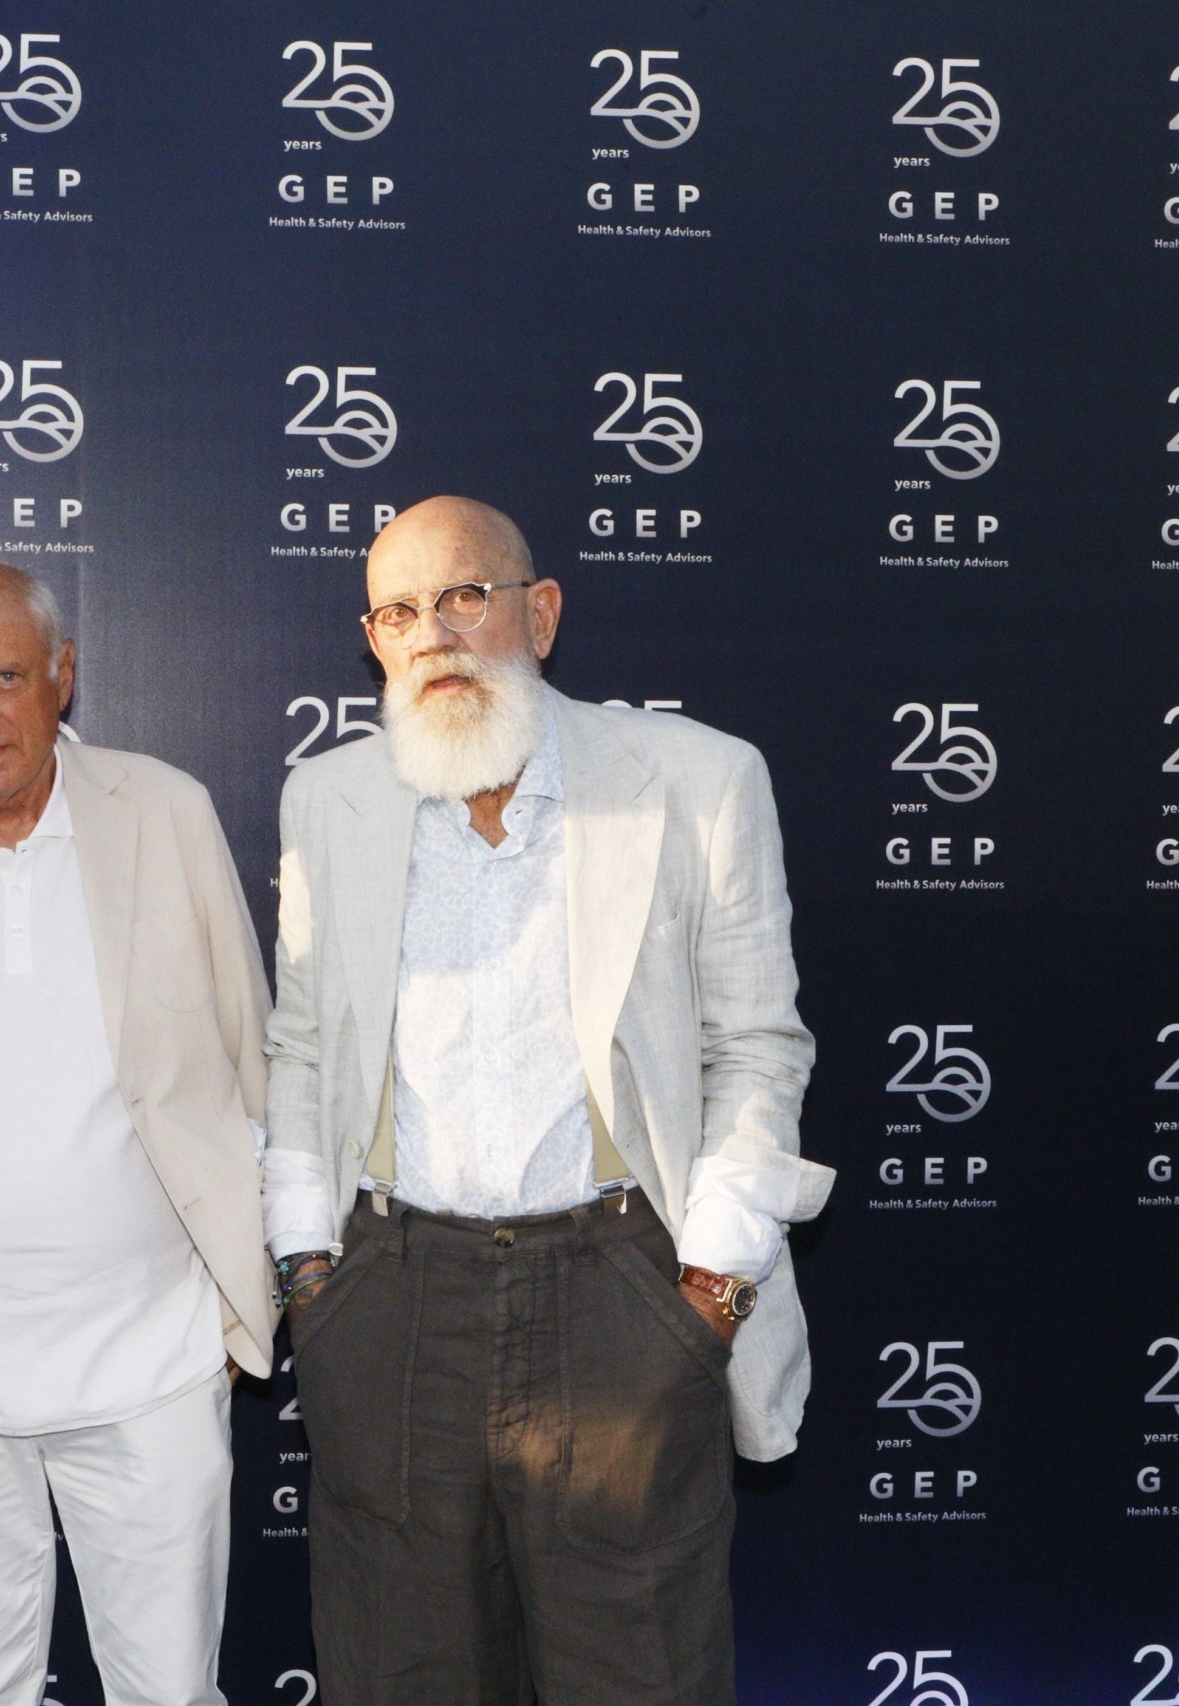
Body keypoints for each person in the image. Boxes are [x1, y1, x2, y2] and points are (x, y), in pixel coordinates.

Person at [262, 497, 832, 1706]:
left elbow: (755, 1045)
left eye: (463, 596)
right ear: (373, 641)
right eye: (398, 612)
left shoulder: (698, 780)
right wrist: (308, 1270)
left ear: (541, 612)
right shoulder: (328, 799)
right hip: (391, 1302)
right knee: (398, 1674)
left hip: (622, 1292)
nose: (433, 635)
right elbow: (300, 1047)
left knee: (640, 1673)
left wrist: (708, 1286)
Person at [0, 560, 276, 1706]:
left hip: (155, 1361)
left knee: (171, 1693)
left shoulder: (164, 809)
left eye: (8, 677)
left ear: (62, 675)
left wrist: (248, 1291)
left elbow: (250, 1055)